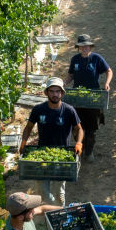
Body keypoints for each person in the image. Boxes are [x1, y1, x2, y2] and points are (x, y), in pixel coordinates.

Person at [20, 77, 83, 206]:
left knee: (59, 192)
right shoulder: (38, 109)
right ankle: (50, 212)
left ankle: (58, 212)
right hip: (42, 154)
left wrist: (79, 142)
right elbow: (28, 128)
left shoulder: (68, 110)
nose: (55, 94)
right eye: (52, 91)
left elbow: (79, 129)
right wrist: (24, 142)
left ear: (62, 93)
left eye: (58, 91)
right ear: (46, 93)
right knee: (42, 191)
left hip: (62, 156)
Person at [65, 34, 112, 162]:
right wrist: (64, 84)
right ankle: (80, 147)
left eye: (86, 46)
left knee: (91, 128)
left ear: (90, 46)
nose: (84, 48)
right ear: (79, 48)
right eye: (82, 46)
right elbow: (71, 75)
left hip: (93, 97)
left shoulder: (97, 58)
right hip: (77, 98)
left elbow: (109, 71)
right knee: (77, 126)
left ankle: (89, 152)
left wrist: (106, 83)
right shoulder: (75, 59)